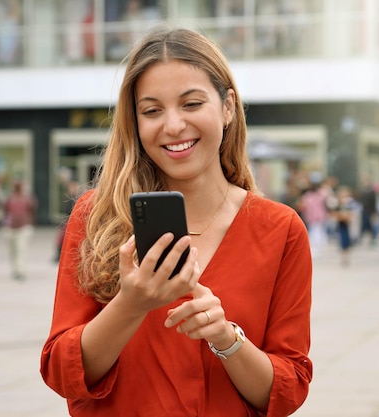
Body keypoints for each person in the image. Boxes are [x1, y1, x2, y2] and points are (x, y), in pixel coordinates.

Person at [41, 25, 313, 417]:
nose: (172, 126)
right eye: (152, 111)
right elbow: (61, 373)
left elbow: (286, 391)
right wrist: (130, 305)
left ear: (227, 107)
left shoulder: (281, 230)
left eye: (191, 104)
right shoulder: (95, 216)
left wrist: (227, 338)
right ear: (135, 123)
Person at [2, 179, 37, 280]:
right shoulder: (9, 198)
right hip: (10, 228)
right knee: (13, 250)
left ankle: (20, 270)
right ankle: (15, 269)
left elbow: (33, 210)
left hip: (24, 227)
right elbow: (4, 211)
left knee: (21, 250)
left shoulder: (28, 198)